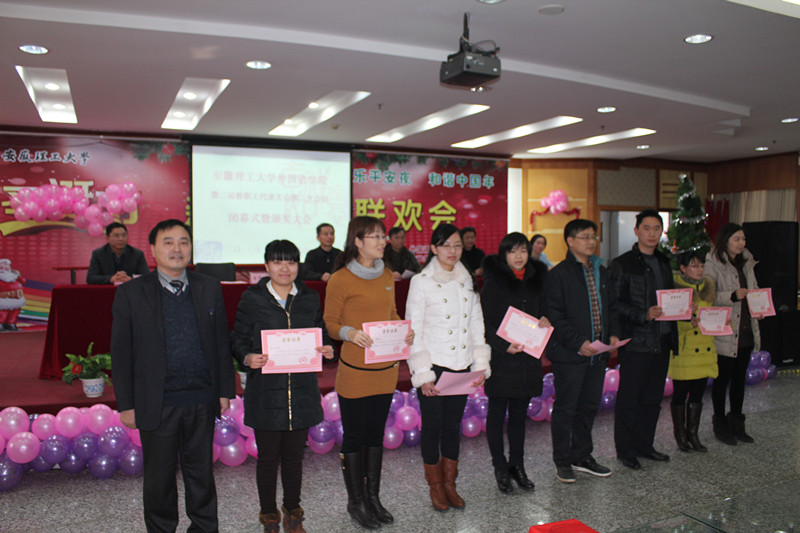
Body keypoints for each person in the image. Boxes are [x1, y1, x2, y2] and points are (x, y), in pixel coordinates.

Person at [111, 219, 235, 533]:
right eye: (168, 242)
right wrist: (126, 404)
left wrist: (224, 390)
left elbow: (221, 343)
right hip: (157, 401)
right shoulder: (131, 293)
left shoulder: (209, 287)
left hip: (201, 399)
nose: (177, 249)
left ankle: (204, 528)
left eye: (183, 242)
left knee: (201, 475)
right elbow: (121, 353)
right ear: (153, 249)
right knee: (159, 478)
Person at [230, 239, 335, 533]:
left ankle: (292, 511)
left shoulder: (309, 297)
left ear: (297, 265)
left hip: (301, 391)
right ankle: (269, 516)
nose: (284, 268)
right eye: (277, 262)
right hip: (266, 392)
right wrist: (247, 357)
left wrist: (327, 347)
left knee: (293, 458)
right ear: (267, 266)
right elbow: (237, 338)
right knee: (267, 458)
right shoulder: (252, 298)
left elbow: (321, 332)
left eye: (290, 261)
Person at [323, 216, 414, 530]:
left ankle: (373, 497)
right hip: (355, 372)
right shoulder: (340, 279)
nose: (381, 241)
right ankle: (356, 501)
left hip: (385, 371)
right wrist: (348, 333)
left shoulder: (387, 274)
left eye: (382, 235)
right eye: (374, 236)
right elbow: (330, 322)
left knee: (375, 435)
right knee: (354, 436)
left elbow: (391, 313)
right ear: (358, 241)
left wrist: (403, 330)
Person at [406, 223, 490, 510]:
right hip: (435, 366)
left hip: (461, 365)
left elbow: (477, 324)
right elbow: (413, 330)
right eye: (446, 245)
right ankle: (435, 487)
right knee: (432, 427)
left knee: (453, 426)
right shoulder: (422, 281)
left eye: (457, 245)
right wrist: (423, 373)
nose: (452, 251)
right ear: (433, 248)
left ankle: (450, 484)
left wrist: (480, 364)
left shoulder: (467, 279)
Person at [546, 219, 620, 483]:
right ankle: (562, 460)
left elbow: (611, 306)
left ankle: (582, 456)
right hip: (570, 354)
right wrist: (578, 342)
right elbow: (554, 315)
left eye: (593, 236)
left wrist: (613, 333)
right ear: (570, 241)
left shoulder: (601, 271)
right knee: (566, 408)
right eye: (585, 236)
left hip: (598, 353)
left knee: (589, 406)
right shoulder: (558, 274)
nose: (591, 241)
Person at [609, 209, 678, 470]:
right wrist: (643, 314)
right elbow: (614, 304)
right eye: (646, 228)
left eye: (657, 228)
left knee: (652, 399)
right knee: (630, 399)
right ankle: (625, 450)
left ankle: (645, 445)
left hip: (663, 339)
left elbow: (670, 298)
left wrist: (684, 310)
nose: (652, 233)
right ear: (636, 231)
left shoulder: (663, 262)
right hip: (637, 342)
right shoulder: (622, 264)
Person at [481, 232, 548, 492]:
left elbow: (546, 310)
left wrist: (546, 319)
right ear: (504, 255)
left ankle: (517, 465)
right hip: (502, 359)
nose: (519, 256)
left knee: (520, 416)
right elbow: (485, 323)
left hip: (528, 359)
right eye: (513, 251)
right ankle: (500, 466)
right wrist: (502, 345)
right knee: (497, 415)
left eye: (523, 250)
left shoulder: (538, 278)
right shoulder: (494, 282)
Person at [704, 223, 760, 445]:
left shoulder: (747, 262)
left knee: (739, 381)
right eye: (736, 239)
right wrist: (732, 296)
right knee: (721, 381)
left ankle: (738, 425)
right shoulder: (713, 262)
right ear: (725, 240)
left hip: (745, 329)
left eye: (743, 239)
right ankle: (720, 426)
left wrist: (760, 307)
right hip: (725, 331)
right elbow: (708, 295)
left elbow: (755, 291)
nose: (741, 243)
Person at [669, 252, 718, 453]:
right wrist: (687, 319)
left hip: (705, 348)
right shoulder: (675, 291)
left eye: (701, 266)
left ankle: (693, 435)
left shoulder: (709, 288)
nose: (699, 270)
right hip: (685, 350)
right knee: (680, 394)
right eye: (694, 266)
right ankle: (680, 436)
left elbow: (713, 316)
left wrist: (721, 321)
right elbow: (669, 322)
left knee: (698, 394)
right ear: (683, 268)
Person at [0, 258, 25, 331]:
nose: (4, 268)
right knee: (3, 312)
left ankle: (11, 324)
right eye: (1, 267)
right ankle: (1, 323)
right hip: (3, 298)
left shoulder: (14, 276)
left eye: (6, 266)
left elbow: (23, 281)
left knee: (14, 312)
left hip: (17, 298)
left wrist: (18, 275)